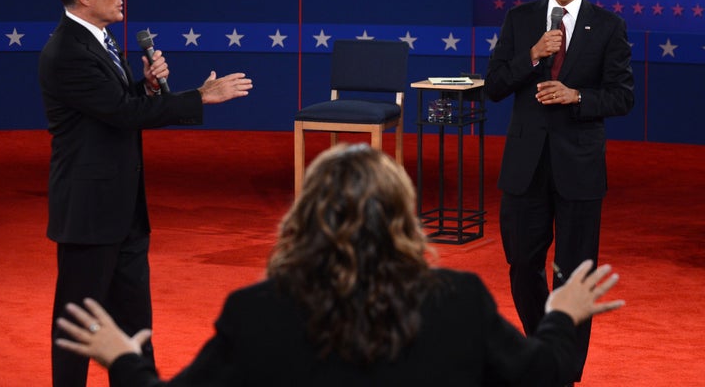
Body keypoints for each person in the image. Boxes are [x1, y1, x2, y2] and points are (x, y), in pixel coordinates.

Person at [54, 144, 624, 386]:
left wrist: (125, 360)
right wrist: (559, 315)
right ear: (404, 216)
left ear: (305, 216)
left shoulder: (255, 313)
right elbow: (541, 377)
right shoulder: (461, 302)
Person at [39, 0, 253, 387]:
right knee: (77, 330)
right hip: (89, 215)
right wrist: (199, 97)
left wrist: (148, 86)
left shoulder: (99, 39)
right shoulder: (67, 52)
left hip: (125, 213)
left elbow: (115, 106)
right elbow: (121, 114)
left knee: (137, 326)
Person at [483, 0, 634, 385]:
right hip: (525, 165)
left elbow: (622, 96)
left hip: (579, 167)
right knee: (522, 264)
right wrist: (532, 55)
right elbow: (494, 87)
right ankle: (541, 350)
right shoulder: (521, 19)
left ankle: (565, 372)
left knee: (573, 275)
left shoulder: (608, 26)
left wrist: (576, 96)